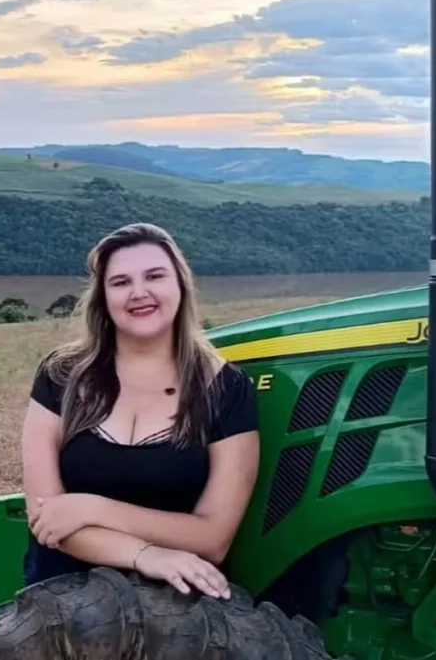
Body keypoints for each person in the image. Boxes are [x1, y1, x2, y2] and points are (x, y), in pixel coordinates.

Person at [20, 222, 260, 600]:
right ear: (103, 297)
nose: (139, 292)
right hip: (63, 601)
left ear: (180, 284)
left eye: (154, 276)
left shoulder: (226, 389)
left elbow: (213, 538)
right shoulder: (60, 376)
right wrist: (147, 555)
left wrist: (92, 508)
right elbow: (46, 520)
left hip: (178, 601)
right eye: (120, 282)